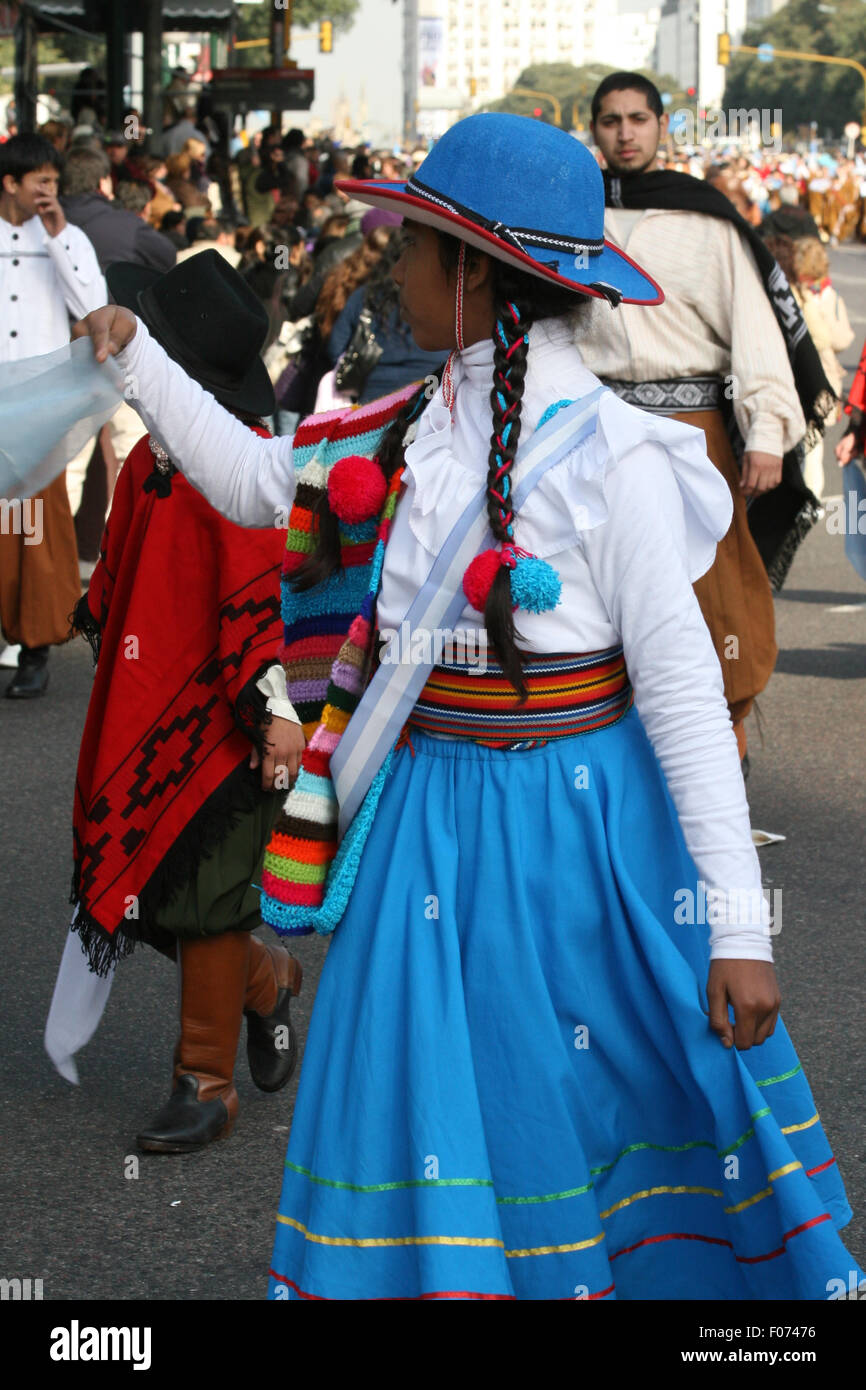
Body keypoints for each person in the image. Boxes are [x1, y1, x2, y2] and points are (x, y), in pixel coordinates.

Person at [73, 113, 861, 1299]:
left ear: (474, 270)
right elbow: (245, 475)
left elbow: (687, 695)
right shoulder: (406, 431)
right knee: (417, 1096)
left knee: (574, 1105)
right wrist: (133, 354)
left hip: (580, 834)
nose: (394, 260)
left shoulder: (616, 457)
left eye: (415, 243)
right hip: (425, 827)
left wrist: (739, 928)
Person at [48, 251, 304, 1151]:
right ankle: (265, 981)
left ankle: (205, 1081)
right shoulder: (161, 458)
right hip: (152, 705)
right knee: (142, 890)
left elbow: (265, 601)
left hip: (228, 721)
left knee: (210, 896)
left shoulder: (237, 470)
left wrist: (275, 707)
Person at [584, 72, 836, 770]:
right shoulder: (570, 218)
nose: (626, 132)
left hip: (696, 432)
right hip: (595, 434)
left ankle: (724, 736)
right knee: (600, 587)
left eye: (638, 118)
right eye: (611, 120)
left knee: (716, 586)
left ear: (661, 127)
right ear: (594, 130)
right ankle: (615, 740)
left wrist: (764, 438)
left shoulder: (706, 217)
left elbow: (754, 332)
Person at [0, 132, 106, 696]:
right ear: (10, 183)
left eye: (54, 180)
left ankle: (37, 648)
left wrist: (59, 233)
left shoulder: (72, 238)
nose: (48, 190)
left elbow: (93, 307)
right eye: (38, 180)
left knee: (37, 531)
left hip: (40, 409)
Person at [789, 237, 853, 499]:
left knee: (803, 448)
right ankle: (807, 498)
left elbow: (839, 338)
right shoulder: (818, 295)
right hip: (814, 381)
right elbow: (839, 340)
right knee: (809, 449)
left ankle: (805, 499)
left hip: (805, 380)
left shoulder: (808, 295)